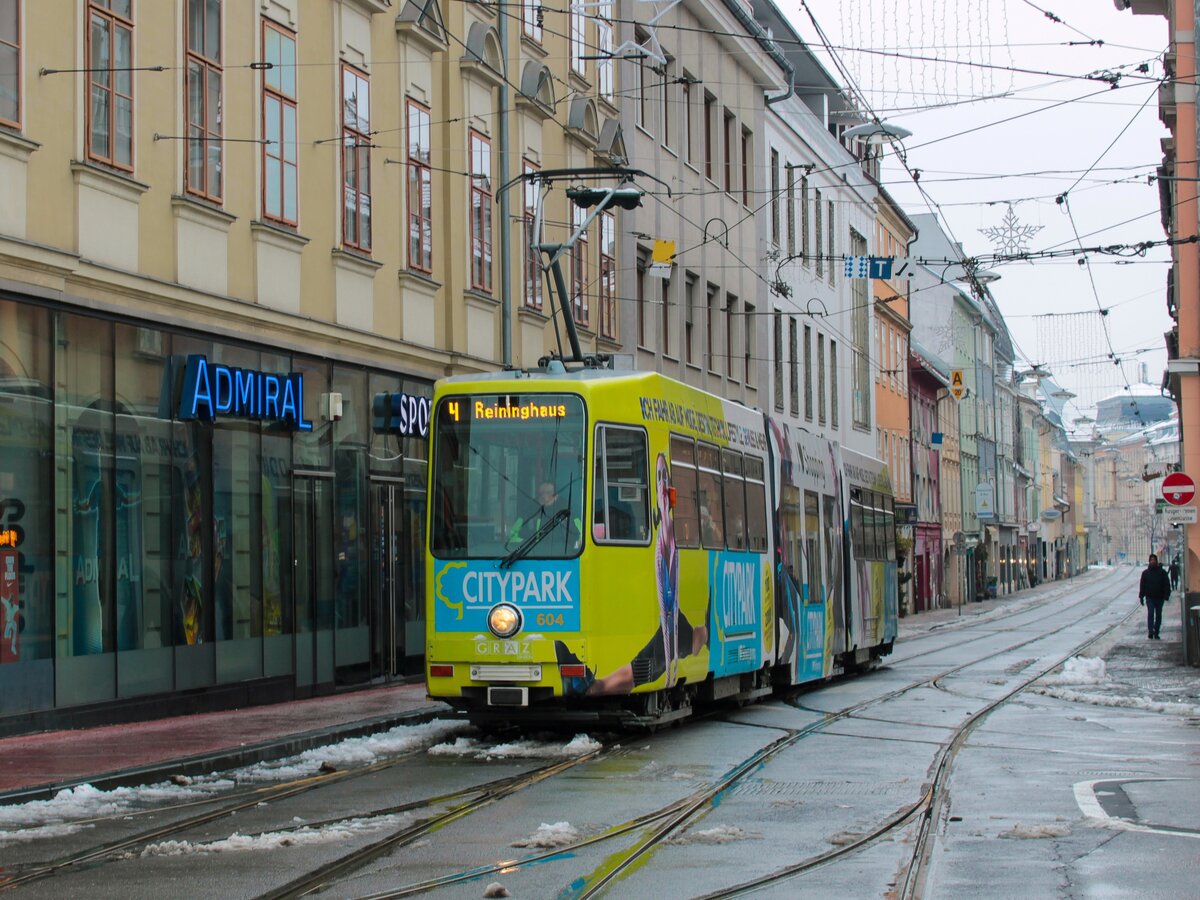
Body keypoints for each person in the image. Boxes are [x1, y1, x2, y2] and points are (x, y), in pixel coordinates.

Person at [507, 482, 581, 548]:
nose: (544, 495)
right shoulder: (528, 511)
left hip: (560, 556)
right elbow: (513, 535)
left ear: (556, 495)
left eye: (548, 492)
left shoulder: (566, 511)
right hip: (530, 554)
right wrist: (524, 544)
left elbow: (582, 535)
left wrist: (575, 546)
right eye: (542, 492)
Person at [1138, 553, 1171, 640]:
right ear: (1149, 561)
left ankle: (1156, 631)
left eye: (1154, 560)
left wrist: (1167, 594)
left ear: (1156, 561)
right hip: (1150, 598)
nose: (1153, 561)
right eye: (1151, 560)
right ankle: (1150, 631)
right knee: (1151, 614)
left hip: (1160, 597)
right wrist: (1141, 596)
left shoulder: (1162, 572)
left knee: (1158, 615)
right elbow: (1142, 585)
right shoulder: (1145, 573)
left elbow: (1167, 584)